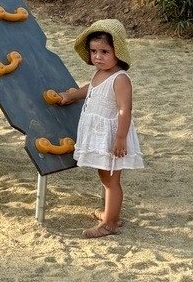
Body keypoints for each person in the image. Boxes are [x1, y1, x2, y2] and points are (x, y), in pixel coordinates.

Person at [51, 19, 144, 239]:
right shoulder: (101, 73)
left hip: (112, 137)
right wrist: (71, 95)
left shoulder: (120, 79)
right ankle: (110, 214)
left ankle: (109, 224)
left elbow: (124, 110)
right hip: (101, 137)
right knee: (105, 177)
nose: (98, 57)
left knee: (111, 181)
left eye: (104, 51)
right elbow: (90, 89)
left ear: (117, 52)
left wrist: (120, 138)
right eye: (93, 51)